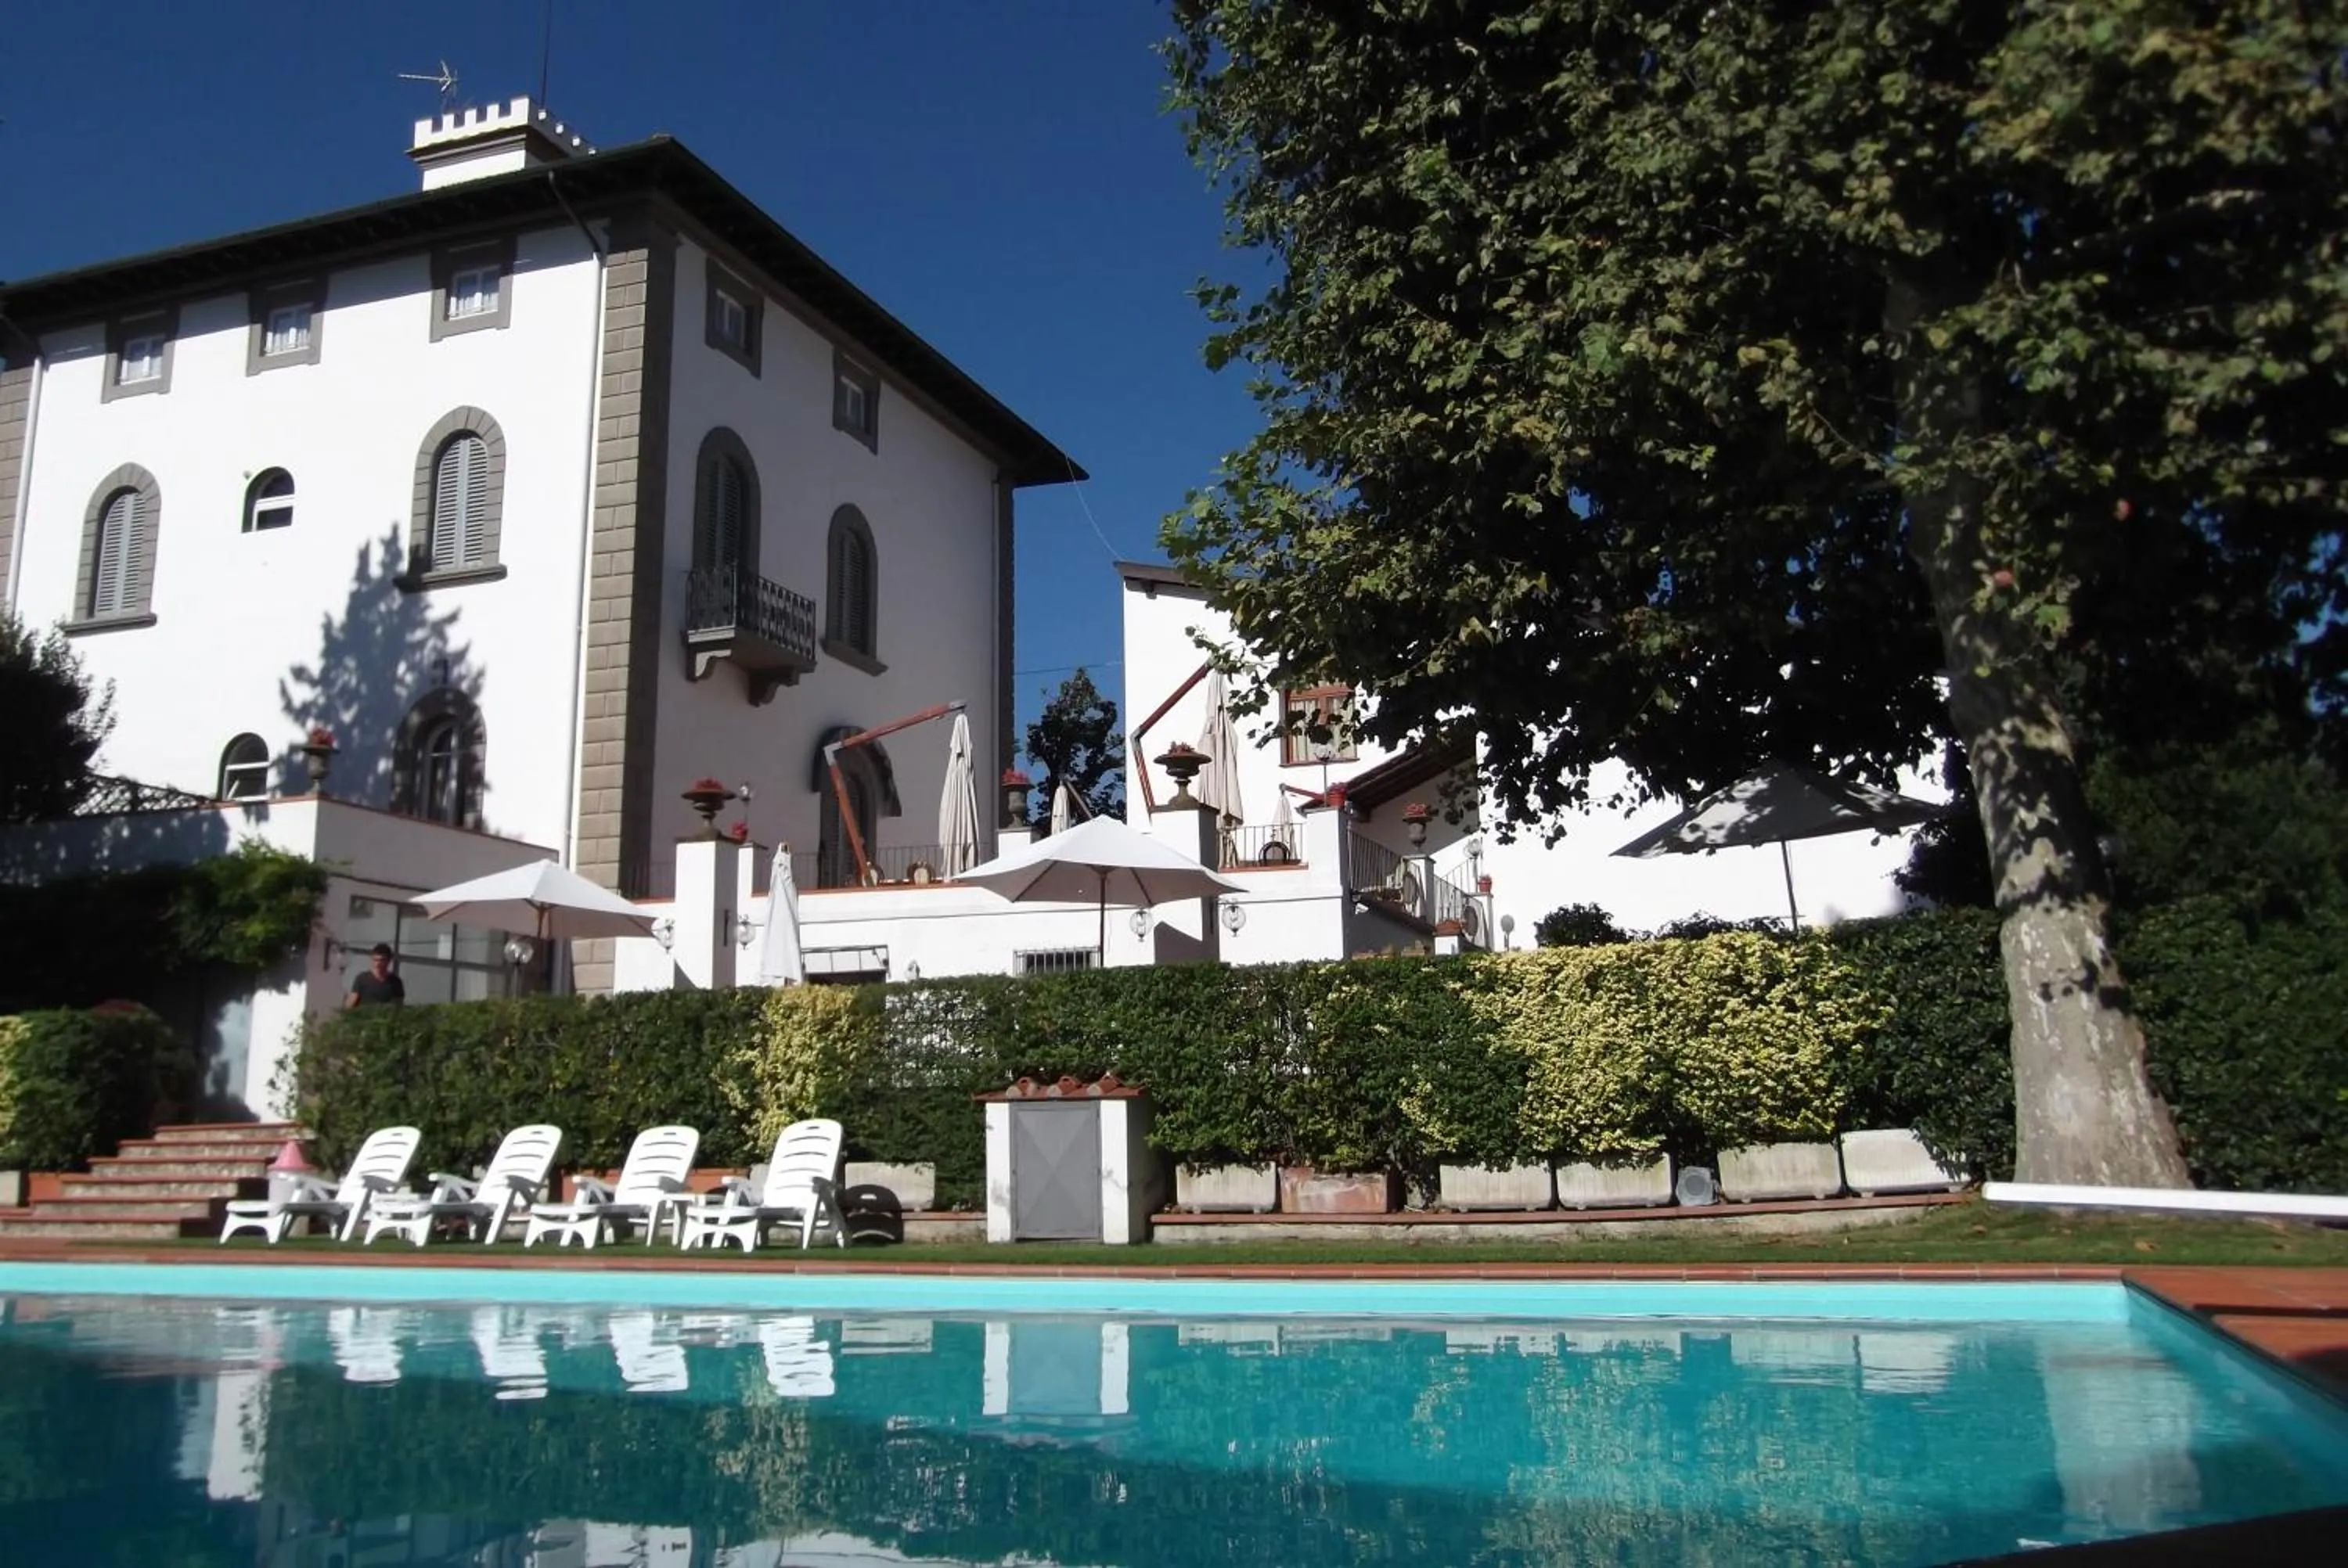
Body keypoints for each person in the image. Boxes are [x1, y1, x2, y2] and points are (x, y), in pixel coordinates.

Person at [345, 944, 406, 1009]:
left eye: (382, 960)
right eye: (375, 960)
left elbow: (399, 1005)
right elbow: (352, 1002)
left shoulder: (396, 982)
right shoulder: (362, 979)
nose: (378, 964)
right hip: (365, 1014)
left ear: (388, 961)